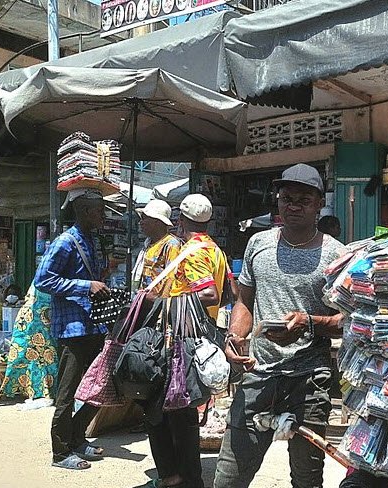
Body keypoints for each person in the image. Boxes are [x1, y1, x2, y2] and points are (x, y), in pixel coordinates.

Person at [216, 164, 345, 488]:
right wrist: (234, 337)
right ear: (277, 200)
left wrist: (310, 323)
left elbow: (350, 320)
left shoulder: (336, 255)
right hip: (259, 374)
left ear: (319, 204)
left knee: (306, 479)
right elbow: (244, 301)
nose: (294, 205)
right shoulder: (258, 243)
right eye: (287, 198)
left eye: (304, 199)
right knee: (229, 478)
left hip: (310, 380)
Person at [140, 194, 228, 488]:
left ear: (179, 220)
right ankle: (184, 476)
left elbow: (210, 294)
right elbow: (227, 291)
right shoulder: (215, 250)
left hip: (181, 340)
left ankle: (180, 477)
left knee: (167, 410)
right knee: (182, 409)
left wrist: (163, 298)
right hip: (199, 337)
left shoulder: (191, 252)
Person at [34, 188, 110, 471]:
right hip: (72, 329)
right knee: (66, 394)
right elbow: (43, 280)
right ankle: (60, 452)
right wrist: (84, 286)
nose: (103, 216)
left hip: (93, 325)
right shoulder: (65, 243)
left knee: (97, 387)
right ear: (85, 212)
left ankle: (78, 438)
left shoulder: (92, 241)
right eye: (99, 211)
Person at [0, 284, 58, 401]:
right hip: (37, 319)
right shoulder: (50, 282)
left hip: (32, 320)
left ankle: (35, 390)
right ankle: (42, 390)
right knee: (43, 357)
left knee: (35, 357)